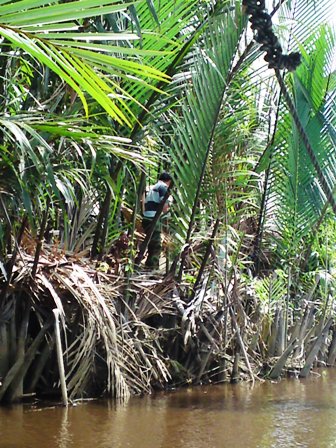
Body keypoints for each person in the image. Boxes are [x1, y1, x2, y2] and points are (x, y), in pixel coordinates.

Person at [141, 172, 172, 269]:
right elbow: (165, 207)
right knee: (156, 244)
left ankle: (148, 265)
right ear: (169, 181)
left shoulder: (153, 187)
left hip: (146, 217)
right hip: (153, 218)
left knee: (151, 242)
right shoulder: (162, 187)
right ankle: (152, 267)